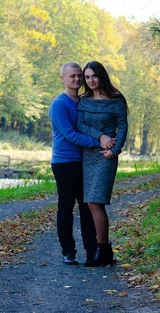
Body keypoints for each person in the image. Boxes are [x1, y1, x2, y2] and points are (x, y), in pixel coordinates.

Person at [48, 62, 115, 266]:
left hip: (86, 161)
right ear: (63, 79)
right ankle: (68, 251)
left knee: (88, 207)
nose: (77, 80)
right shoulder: (58, 105)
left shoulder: (85, 101)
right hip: (65, 162)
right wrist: (99, 142)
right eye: (72, 76)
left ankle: (92, 250)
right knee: (66, 208)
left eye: (79, 76)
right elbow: (70, 134)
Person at [77, 61, 128, 267]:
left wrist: (114, 151)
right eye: (87, 78)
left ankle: (103, 248)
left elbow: (123, 127)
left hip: (106, 156)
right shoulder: (84, 100)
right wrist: (100, 136)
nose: (91, 81)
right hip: (89, 155)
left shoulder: (116, 99)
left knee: (95, 201)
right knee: (90, 202)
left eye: (94, 76)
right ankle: (104, 250)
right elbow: (80, 124)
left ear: (101, 76)